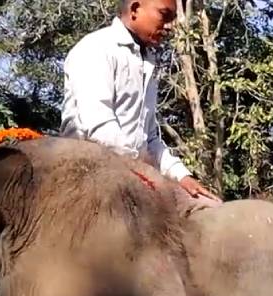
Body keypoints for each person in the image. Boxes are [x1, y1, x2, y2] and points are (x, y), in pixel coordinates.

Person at [60, 0, 218, 201]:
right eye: (164, 16)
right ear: (135, 9)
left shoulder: (146, 61)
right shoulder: (96, 48)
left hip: (132, 178)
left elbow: (149, 139)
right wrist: (145, 171)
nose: (170, 26)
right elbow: (99, 127)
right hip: (88, 178)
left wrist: (182, 176)